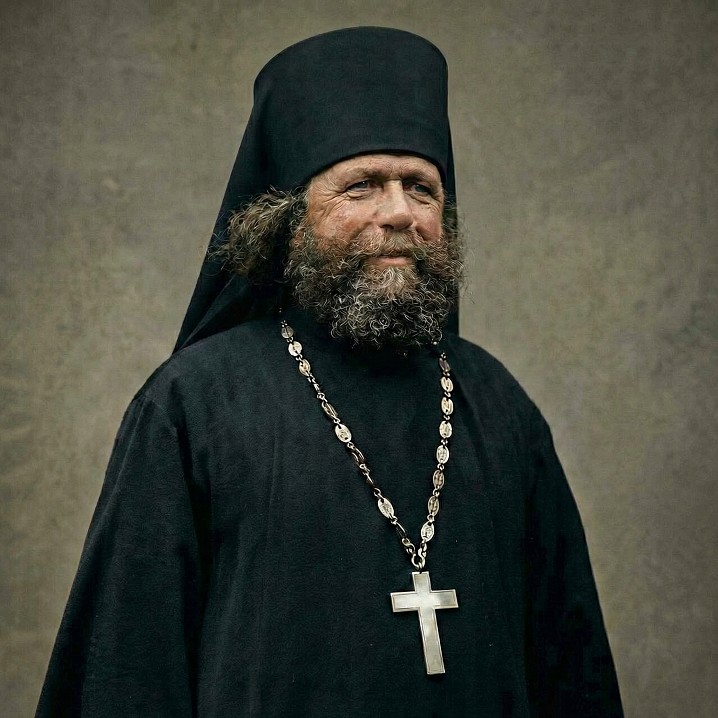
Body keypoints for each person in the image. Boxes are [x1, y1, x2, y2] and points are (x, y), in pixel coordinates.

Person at [36, 27, 623, 717]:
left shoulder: (499, 406)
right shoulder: (192, 405)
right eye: (362, 185)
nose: (398, 213)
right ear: (289, 220)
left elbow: (575, 674)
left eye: (421, 188)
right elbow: (127, 675)